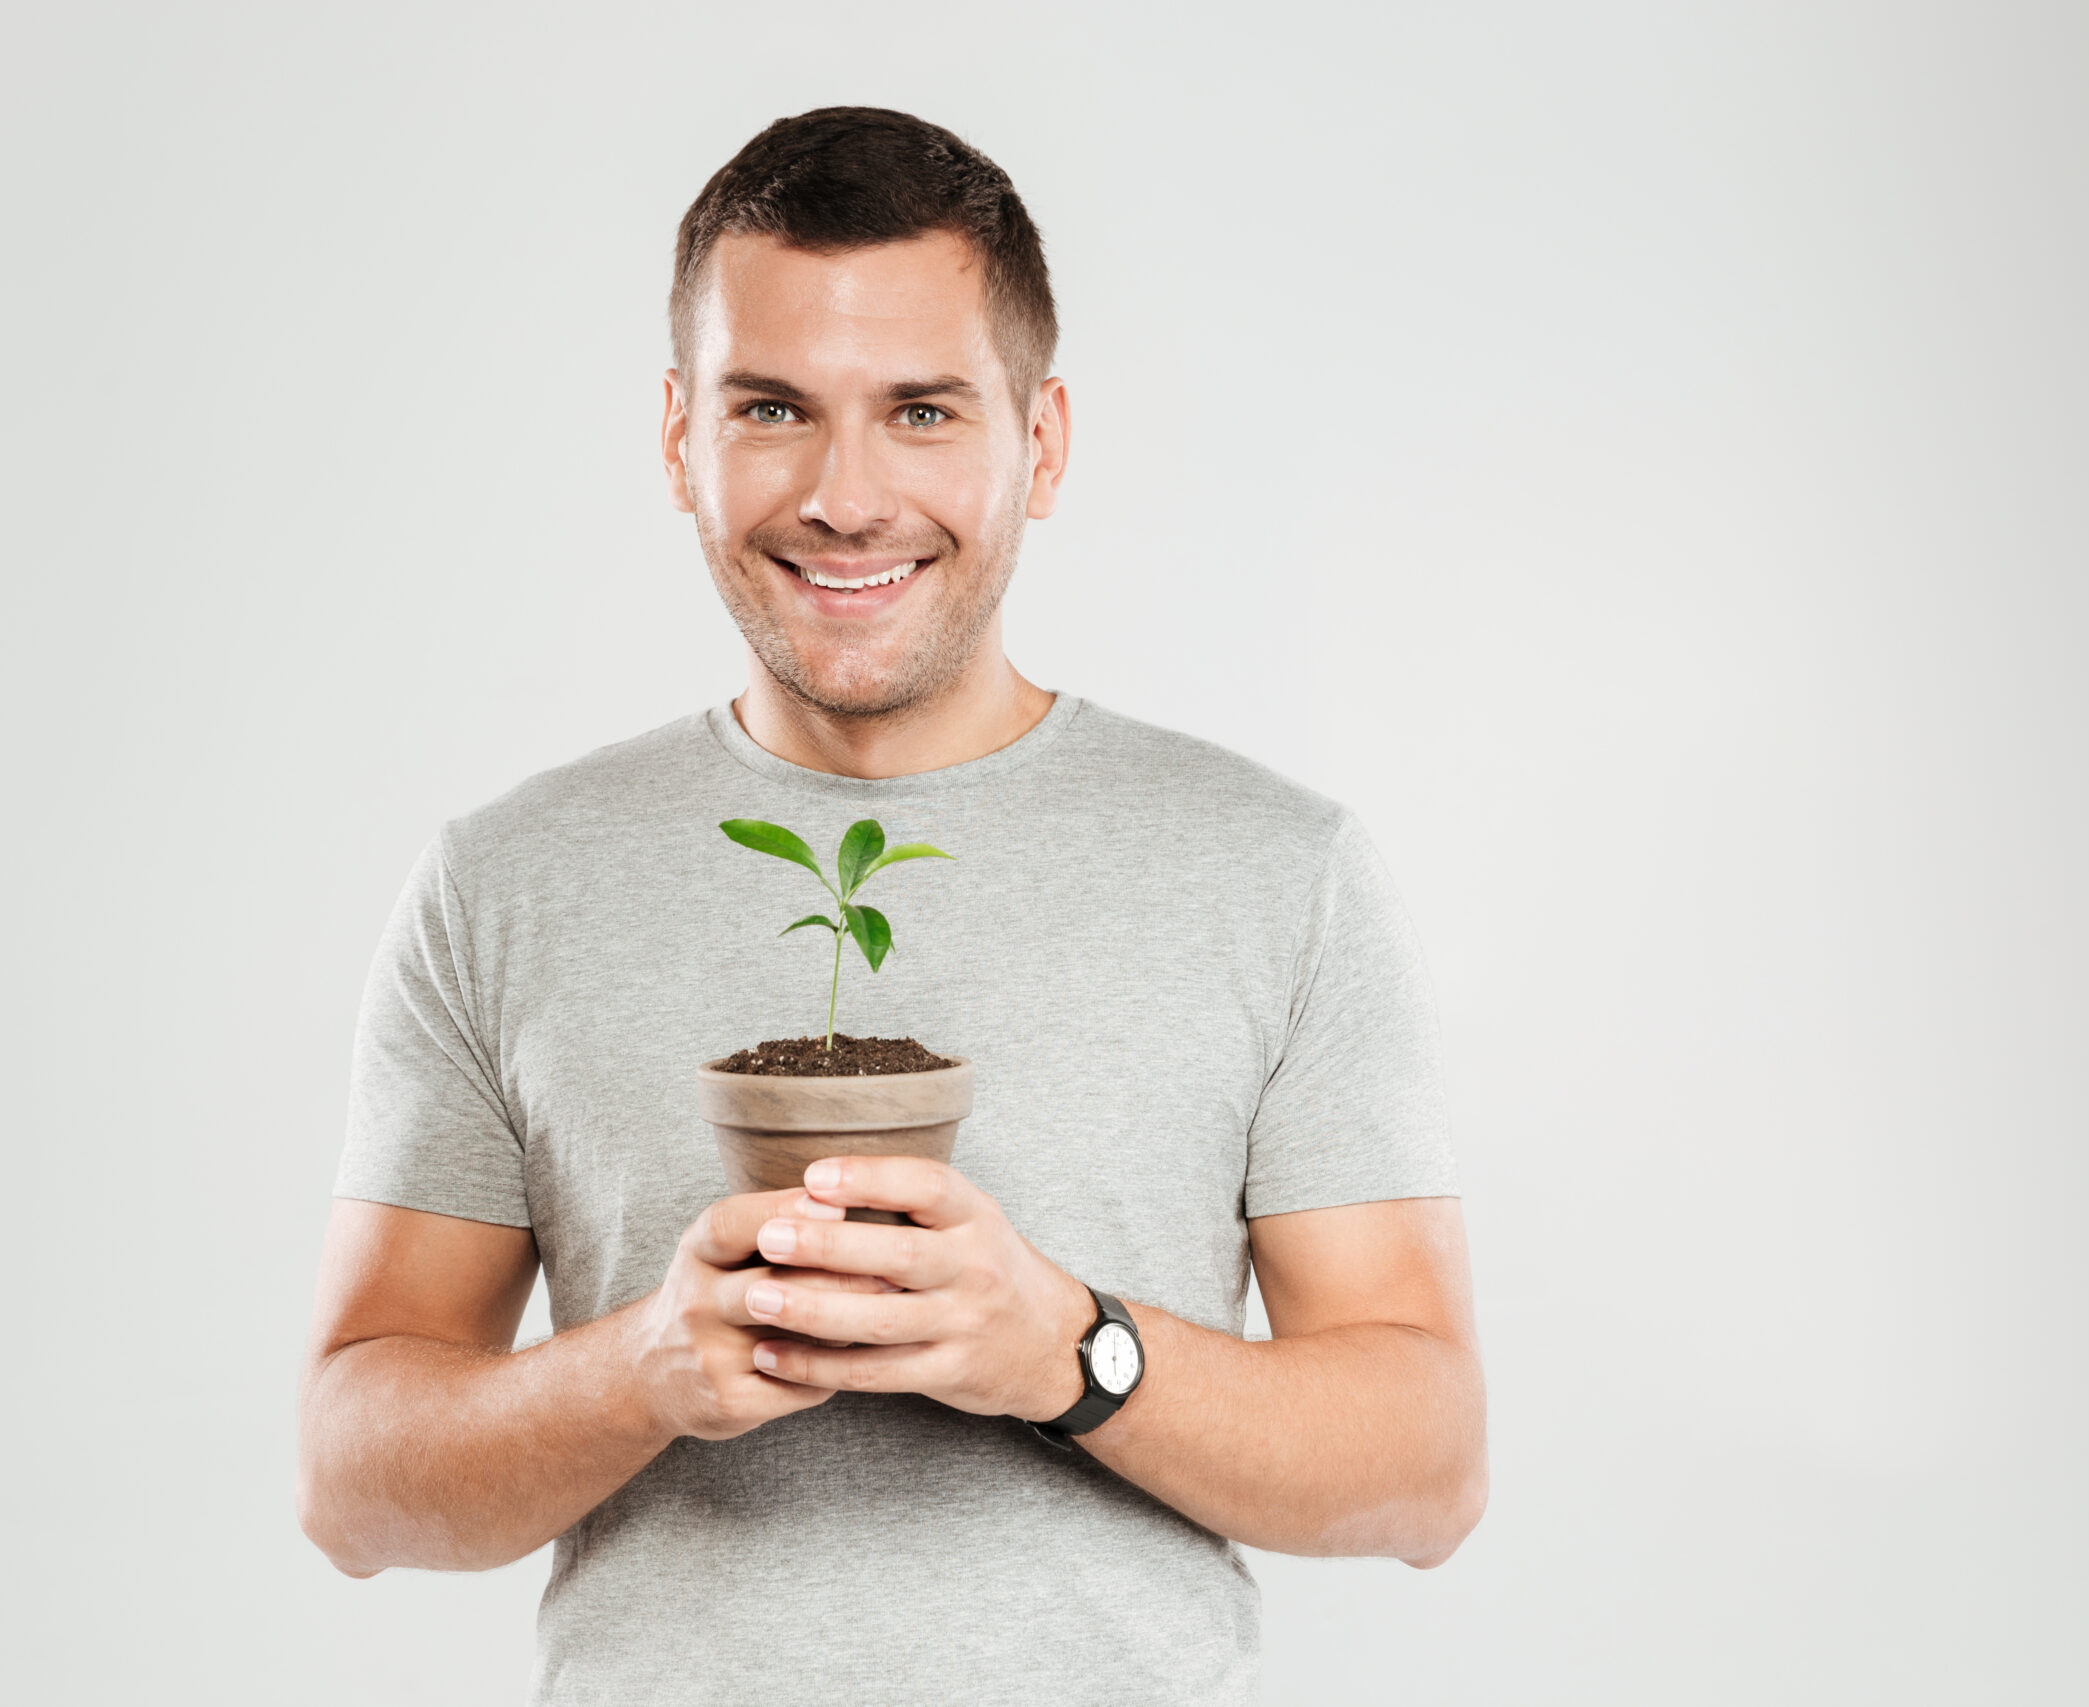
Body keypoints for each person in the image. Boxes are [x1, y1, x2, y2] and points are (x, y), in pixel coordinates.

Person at [298, 106, 1486, 1705]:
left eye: (922, 411)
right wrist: (641, 1374)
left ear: (1040, 444)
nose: (846, 497)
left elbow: (1426, 1468)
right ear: (678, 441)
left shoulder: (1279, 871)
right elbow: (352, 1485)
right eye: (772, 408)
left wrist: (1066, 1352)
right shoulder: (505, 880)